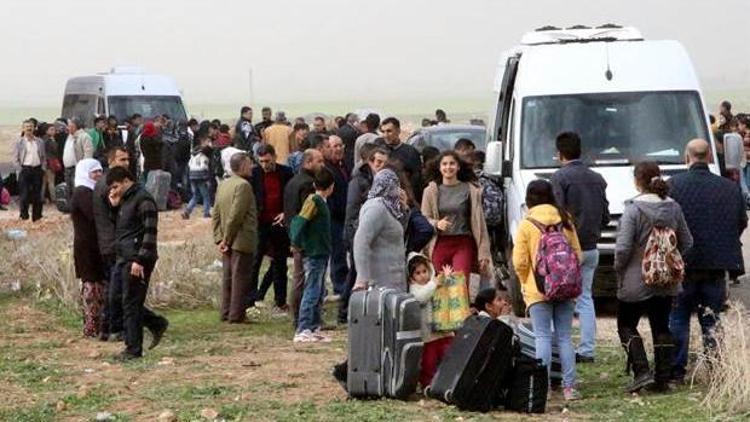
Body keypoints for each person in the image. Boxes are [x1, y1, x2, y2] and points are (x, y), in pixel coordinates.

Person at [668, 139, 747, 384]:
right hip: (716, 263)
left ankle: (677, 370)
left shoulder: (673, 185)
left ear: (686, 156)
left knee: (679, 317)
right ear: (710, 155)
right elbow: (741, 221)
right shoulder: (728, 187)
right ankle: (715, 368)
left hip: (684, 263)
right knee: (711, 319)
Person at [614, 161, 693, 393]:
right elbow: (687, 241)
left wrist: (619, 268)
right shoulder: (674, 208)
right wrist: (668, 260)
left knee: (626, 325)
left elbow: (623, 247)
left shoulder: (633, 210)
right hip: (666, 281)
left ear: (637, 181)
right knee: (661, 325)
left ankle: (641, 372)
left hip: (635, 279)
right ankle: (662, 378)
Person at [512, 179, 583, 401]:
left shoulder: (527, 223)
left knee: (542, 336)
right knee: (564, 337)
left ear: (529, 198)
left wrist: (527, 283)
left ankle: (542, 386)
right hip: (566, 287)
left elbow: (520, 262)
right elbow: (578, 255)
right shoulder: (565, 218)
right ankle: (569, 387)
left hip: (537, 289)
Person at [550, 132, 610, 364]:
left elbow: (557, 213)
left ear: (560, 154)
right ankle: (587, 349)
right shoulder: (597, 178)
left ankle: (559, 347)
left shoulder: (559, 178)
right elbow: (605, 215)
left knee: (560, 298)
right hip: (592, 247)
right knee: (586, 298)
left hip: (566, 249)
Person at [106, 167, 168, 360]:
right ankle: (156, 323)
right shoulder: (125, 200)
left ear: (126, 181)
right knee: (117, 298)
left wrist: (140, 260)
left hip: (137, 258)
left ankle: (133, 349)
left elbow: (150, 232)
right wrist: (114, 206)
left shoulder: (144, 200)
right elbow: (122, 228)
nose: (114, 191)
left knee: (131, 303)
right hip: (124, 256)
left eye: (116, 186)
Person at [422, 151, 491, 287]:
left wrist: (484, 253)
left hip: (463, 243)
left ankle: (462, 309)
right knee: (441, 288)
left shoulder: (470, 190)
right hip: (439, 243)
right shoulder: (430, 191)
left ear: (458, 167)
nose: (448, 167)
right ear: (439, 168)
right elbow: (424, 218)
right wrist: (437, 223)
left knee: (459, 285)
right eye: (444, 164)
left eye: (452, 163)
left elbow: (479, 223)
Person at [338, 146, 389, 323]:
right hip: (358, 233)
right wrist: (353, 237)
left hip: (375, 234)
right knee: (356, 272)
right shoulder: (358, 182)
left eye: (384, 163)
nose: (380, 166)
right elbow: (351, 211)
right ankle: (344, 311)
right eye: (378, 163)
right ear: (370, 162)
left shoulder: (381, 181)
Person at [289, 168, 335, 343]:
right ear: (331, 187)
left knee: (319, 290)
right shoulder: (313, 201)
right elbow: (300, 222)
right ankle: (303, 327)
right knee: (312, 290)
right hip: (314, 252)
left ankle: (314, 326)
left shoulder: (319, 201)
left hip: (321, 251)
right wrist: (296, 242)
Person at [212, 152, 259, 323]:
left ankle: (226, 311)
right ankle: (237, 314)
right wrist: (227, 238)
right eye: (249, 163)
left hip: (227, 240)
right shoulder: (243, 186)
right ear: (243, 166)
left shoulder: (223, 185)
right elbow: (236, 215)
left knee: (228, 277)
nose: (252, 167)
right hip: (240, 239)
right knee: (241, 278)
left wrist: (219, 239)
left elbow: (216, 213)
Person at [249, 145, 294, 312]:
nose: (264, 165)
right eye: (261, 161)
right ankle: (251, 300)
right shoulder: (254, 174)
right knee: (255, 261)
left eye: (267, 161)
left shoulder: (286, 172)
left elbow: (291, 195)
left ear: (274, 157)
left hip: (279, 223)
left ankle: (280, 300)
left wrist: (286, 212)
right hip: (260, 223)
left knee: (280, 262)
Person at [284, 149, 325, 326]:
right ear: (308, 162)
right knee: (307, 281)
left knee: (300, 278)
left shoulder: (292, 181)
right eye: (319, 161)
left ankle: (301, 318)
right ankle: (304, 320)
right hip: (305, 240)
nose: (322, 165)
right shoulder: (308, 184)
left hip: (295, 237)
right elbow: (305, 215)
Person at [93, 146, 130, 342]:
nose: (126, 163)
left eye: (127, 159)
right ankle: (115, 328)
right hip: (113, 243)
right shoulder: (110, 185)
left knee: (113, 287)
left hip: (110, 242)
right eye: (121, 160)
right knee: (118, 289)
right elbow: (118, 214)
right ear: (110, 162)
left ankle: (107, 328)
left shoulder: (106, 182)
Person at [352, 168, 407, 291]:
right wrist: (362, 278)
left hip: (394, 278)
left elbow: (398, 232)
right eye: (393, 185)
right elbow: (361, 240)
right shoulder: (376, 208)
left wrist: (404, 209)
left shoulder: (390, 207)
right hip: (380, 281)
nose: (397, 190)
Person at [71, 158, 106, 337]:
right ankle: (92, 328)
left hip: (95, 245)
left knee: (99, 286)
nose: (98, 175)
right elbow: (95, 216)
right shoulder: (82, 192)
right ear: (85, 173)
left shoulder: (93, 191)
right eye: (94, 172)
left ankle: (99, 326)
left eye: (100, 171)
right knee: (91, 287)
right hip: (87, 247)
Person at [407, 253, 454, 388]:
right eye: (418, 273)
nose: (423, 275)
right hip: (429, 335)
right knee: (429, 361)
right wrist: (434, 284)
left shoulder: (434, 282)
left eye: (425, 271)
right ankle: (428, 384)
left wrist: (446, 278)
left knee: (448, 355)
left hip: (444, 330)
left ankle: (448, 381)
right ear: (411, 277)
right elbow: (421, 297)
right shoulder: (415, 289)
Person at [324, 135, 351, 297]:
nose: (338, 149)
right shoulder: (327, 169)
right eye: (334, 146)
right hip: (335, 217)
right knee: (338, 252)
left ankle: (344, 283)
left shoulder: (345, 165)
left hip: (346, 215)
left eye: (340, 145)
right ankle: (339, 286)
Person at [376, 117, 423, 201]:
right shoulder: (379, 152)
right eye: (383, 132)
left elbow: (417, 180)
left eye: (389, 131)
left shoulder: (410, 152)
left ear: (398, 131)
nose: (385, 135)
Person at [13, 119, 46, 221]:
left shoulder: (40, 141)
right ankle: (24, 216)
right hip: (25, 170)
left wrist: (43, 168)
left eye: (30, 126)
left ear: (34, 128)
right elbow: (15, 158)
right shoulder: (19, 142)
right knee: (24, 195)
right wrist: (20, 169)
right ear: (23, 128)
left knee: (37, 195)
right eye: (27, 127)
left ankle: (37, 217)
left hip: (37, 170)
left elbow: (43, 157)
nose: (29, 128)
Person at [182, 136, 213, 219]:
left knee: (196, 195)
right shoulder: (205, 155)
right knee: (206, 195)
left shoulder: (194, 152)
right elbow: (204, 167)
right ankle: (206, 213)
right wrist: (207, 179)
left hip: (192, 175)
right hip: (201, 176)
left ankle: (187, 211)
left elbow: (189, 164)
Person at [63, 117, 94, 197]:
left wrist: (82, 168)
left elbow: (88, 154)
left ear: (75, 126)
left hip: (77, 169)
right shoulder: (69, 136)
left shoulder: (84, 136)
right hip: (67, 169)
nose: (67, 127)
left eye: (69, 125)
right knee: (69, 192)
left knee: (76, 192)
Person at [39, 123, 60, 204]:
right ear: (46, 131)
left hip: (43, 163)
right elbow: (55, 150)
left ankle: (41, 198)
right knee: (51, 182)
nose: (54, 131)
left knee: (43, 182)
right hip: (50, 163)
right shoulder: (50, 140)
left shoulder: (42, 139)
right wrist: (54, 141)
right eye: (51, 129)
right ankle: (54, 199)